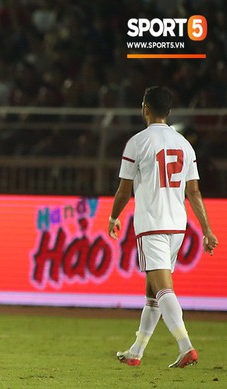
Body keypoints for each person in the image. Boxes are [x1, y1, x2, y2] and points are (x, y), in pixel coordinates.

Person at [108, 86, 218, 368]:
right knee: (152, 290)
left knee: (163, 289)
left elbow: (124, 189)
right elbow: (194, 192)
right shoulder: (184, 144)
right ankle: (136, 351)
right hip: (177, 226)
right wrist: (206, 229)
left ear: (145, 108)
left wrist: (113, 216)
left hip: (152, 224)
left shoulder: (137, 142)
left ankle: (186, 346)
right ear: (168, 112)